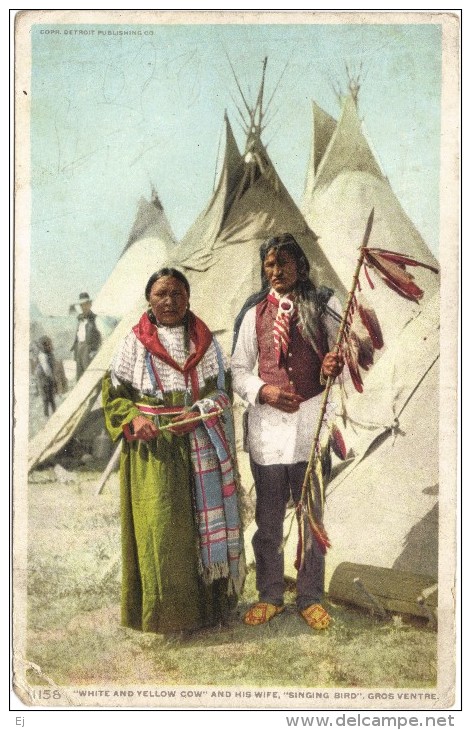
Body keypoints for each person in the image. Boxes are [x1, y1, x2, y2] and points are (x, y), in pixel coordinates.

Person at [102, 268, 244, 634]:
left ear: (188, 298)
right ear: (148, 299)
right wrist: (134, 419)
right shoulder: (134, 343)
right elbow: (114, 396)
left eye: (177, 294)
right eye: (161, 294)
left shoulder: (204, 342)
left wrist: (198, 412)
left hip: (200, 445)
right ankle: (169, 619)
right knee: (163, 533)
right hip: (155, 452)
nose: (169, 301)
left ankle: (209, 613)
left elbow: (223, 392)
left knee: (202, 531)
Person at [231, 233, 344, 630]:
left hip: (310, 424)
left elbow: (345, 351)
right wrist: (265, 391)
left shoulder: (325, 305)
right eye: (269, 266)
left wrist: (335, 362)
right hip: (268, 429)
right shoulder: (254, 313)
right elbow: (238, 369)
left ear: (300, 265)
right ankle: (270, 594)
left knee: (311, 516)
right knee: (269, 518)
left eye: (284, 264)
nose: (276, 272)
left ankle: (311, 596)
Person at [71, 292, 102, 380]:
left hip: (88, 350)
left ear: (90, 304)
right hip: (79, 349)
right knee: (80, 376)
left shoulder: (95, 318)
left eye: (85, 304)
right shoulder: (79, 319)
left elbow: (100, 336)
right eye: (81, 305)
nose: (83, 307)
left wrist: (94, 350)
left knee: (88, 376)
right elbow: (77, 335)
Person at [35, 336, 57, 417]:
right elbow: (46, 369)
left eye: (50, 344)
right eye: (47, 345)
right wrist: (52, 378)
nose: (50, 346)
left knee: (51, 398)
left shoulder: (50, 354)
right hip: (44, 379)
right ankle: (46, 415)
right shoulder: (42, 355)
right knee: (46, 399)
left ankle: (55, 413)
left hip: (48, 378)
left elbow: (52, 367)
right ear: (43, 346)